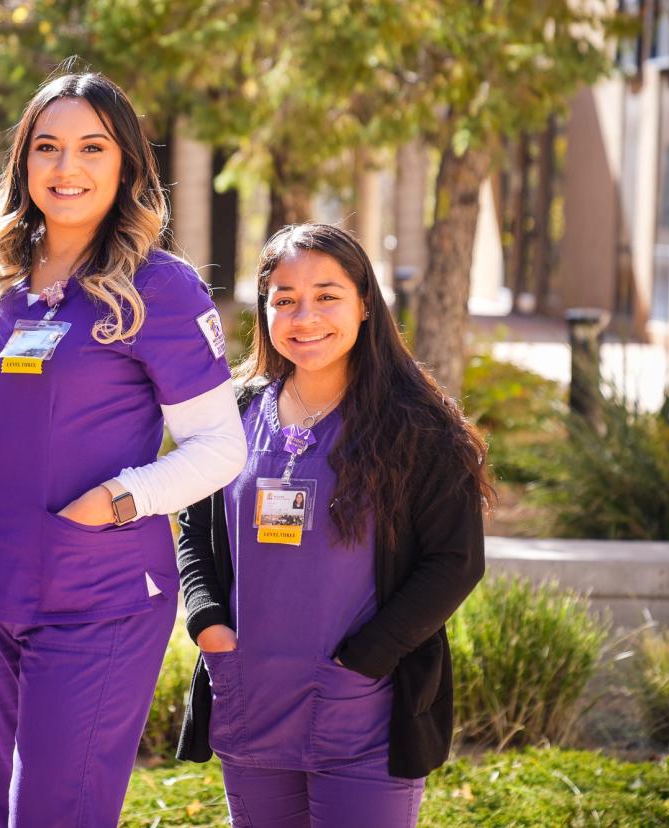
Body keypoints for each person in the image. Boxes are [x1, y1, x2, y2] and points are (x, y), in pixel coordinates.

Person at [0, 70, 247, 826]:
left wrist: (119, 499)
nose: (67, 168)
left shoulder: (159, 287)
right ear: (24, 164)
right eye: (48, 147)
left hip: (96, 596)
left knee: (54, 814)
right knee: (15, 813)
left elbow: (220, 445)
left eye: (91, 148)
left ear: (127, 164)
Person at [176, 223, 490, 827]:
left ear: (365, 304)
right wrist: (209, 626)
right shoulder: (234, 412)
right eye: (284, 299)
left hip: (364, 706)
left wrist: (367, 659)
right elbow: (195, 529)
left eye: (327, 295)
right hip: (251, 696)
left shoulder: (420, 427)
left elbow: (455, 562)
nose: (305, 315)